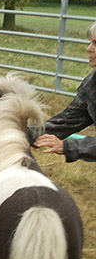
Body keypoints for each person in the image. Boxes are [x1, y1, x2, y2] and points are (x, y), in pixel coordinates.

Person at [32, 20, 96, 162]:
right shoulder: (91, 84)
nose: (89, 48)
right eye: (90, 42)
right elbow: (67, 121)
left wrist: (68, 146)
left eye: (95, 43)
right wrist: (21, 134)